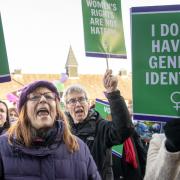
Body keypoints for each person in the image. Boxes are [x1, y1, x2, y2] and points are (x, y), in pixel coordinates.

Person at [0, 80, 101, 180]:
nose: (43, 99)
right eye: (35, 97)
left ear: (56, 109)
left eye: (49, 96)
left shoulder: (79, 148)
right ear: (24, 111)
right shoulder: (2, 146)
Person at [63, 69, 134, 180]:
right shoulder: (61, 130)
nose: (78, 104)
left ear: (88, 103)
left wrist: (113, 93)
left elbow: (124, 130)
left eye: (81, 99)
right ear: (66, 106)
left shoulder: (101, 127)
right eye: (72, 101)